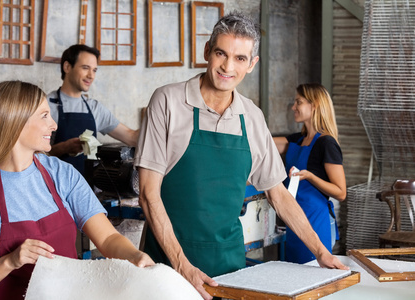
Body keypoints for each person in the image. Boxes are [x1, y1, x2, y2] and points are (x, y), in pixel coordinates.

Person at [134, 12, 348, 300]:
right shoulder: (168, 101)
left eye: (240, 58)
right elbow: (148, 194)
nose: (227, 66)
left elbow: (279, 194)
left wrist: (321, 252)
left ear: (252, 64)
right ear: (207, 51)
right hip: (168, 267)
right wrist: (182, 266)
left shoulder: (252, 117)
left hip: (230, 269)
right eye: (221, 53)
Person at [0, 81, 154, 299]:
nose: (54, 125)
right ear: (16, 121)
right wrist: (10, 261)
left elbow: (108, 238)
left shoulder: (62, 174)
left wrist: (135, 256)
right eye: (44, 115)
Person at [273, 83, 347, 264]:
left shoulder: (326, 143)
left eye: (298, 102)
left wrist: (312, 177)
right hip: (294, 219)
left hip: (315, 221)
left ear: (314, 106)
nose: (293, 107)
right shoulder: (297, 140)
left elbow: (341, 192)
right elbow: (265, 142)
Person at [48, 44, 139, 175]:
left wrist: (159, 122)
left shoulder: (95, 108)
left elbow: (131, 137)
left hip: (88, 189)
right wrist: (64, 147)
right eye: (85, 68)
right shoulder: (46, 105)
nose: (91, 75)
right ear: (67, 67)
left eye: (94, 70)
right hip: (54, 187)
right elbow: (33, 155)